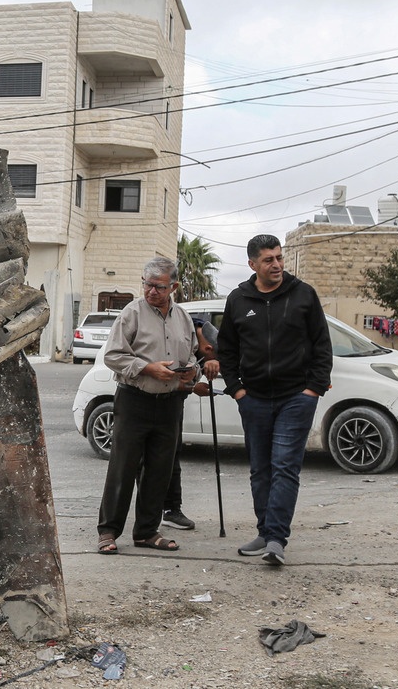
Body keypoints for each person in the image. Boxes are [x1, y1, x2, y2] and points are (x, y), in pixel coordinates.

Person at [213, 235, 332, 566]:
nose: (277, 264)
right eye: (268, 260)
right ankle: (265, 532)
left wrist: (313, 389)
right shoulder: (238, 299)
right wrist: (237, 391)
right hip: (254, 400)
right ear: (253, 264)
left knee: (284, 466)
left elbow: (322, 345)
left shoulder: (303, 294)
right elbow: (227, 349)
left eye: (279, 257)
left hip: (296, 397)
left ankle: (277, 539)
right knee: (260, 469)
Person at [96, 257, 208, 554]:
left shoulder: (183, 318)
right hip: (135, 399)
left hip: (170, 402)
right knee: (123, 466)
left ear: (174, 286)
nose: (151, 291)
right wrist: (148, 368)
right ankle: (108, 531)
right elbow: (113, 356)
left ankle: (147, 531)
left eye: (158, 286)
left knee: (160, 469)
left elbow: (193, 356)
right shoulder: (131, 314)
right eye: (147, 284)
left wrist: (192, 374)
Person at [161, 316, 218, 531]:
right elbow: (165, 379)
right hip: (156, 402)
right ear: (208, 347)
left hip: (174, 405)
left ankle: (171, 509)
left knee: (173, 456)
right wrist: (193, 388)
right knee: (159, 459)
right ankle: (162, 510)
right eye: (211, 355)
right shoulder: (180, 331)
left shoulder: (197, 336)